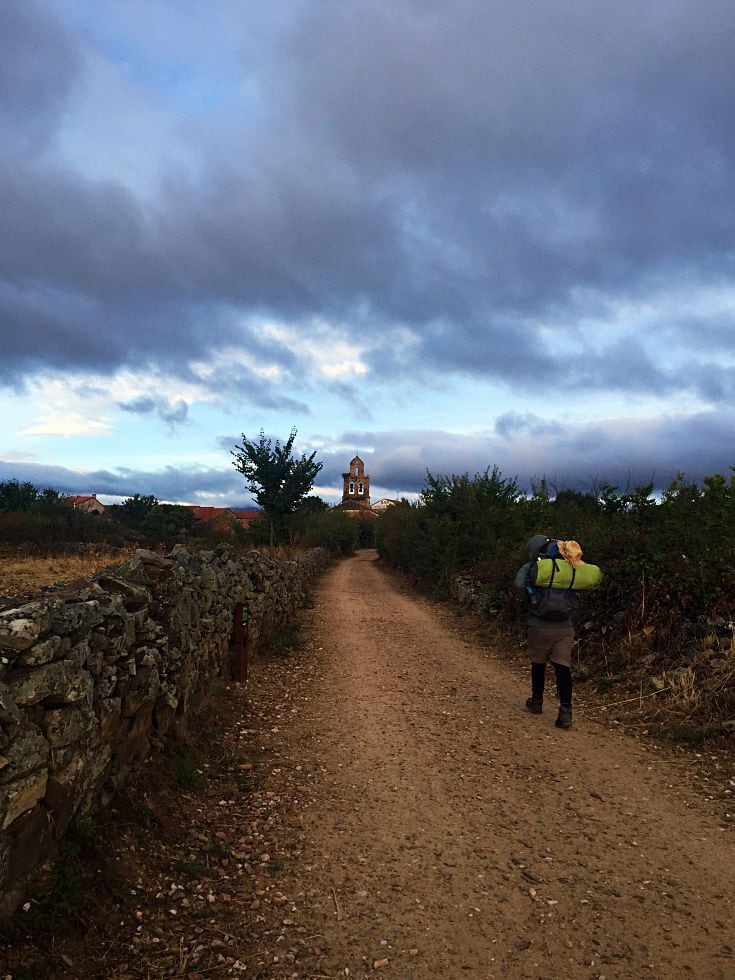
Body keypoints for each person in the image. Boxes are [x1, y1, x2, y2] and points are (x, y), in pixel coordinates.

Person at [513, 535, 583, 729]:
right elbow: (578, 595)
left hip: (539, 624)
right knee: (563, 668)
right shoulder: (570, 566)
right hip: (565, 627)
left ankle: (537, 701)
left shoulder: (533, 567)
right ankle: (566, 711)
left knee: (538, 663)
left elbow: (518, 584)